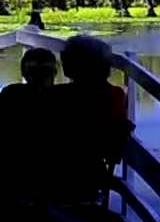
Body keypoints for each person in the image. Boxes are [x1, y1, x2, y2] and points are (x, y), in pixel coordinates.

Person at [47, 35, 133, 204]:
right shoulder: (114, 95)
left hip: (55, 171)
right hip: (93, 171)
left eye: (65, 58)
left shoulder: (54, 96)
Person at [0, 48, 59, 203]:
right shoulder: (64, 100)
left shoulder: (10, 95)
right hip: (58, 179)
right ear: (54, 73)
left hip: (15, 178)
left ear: (24, 74)